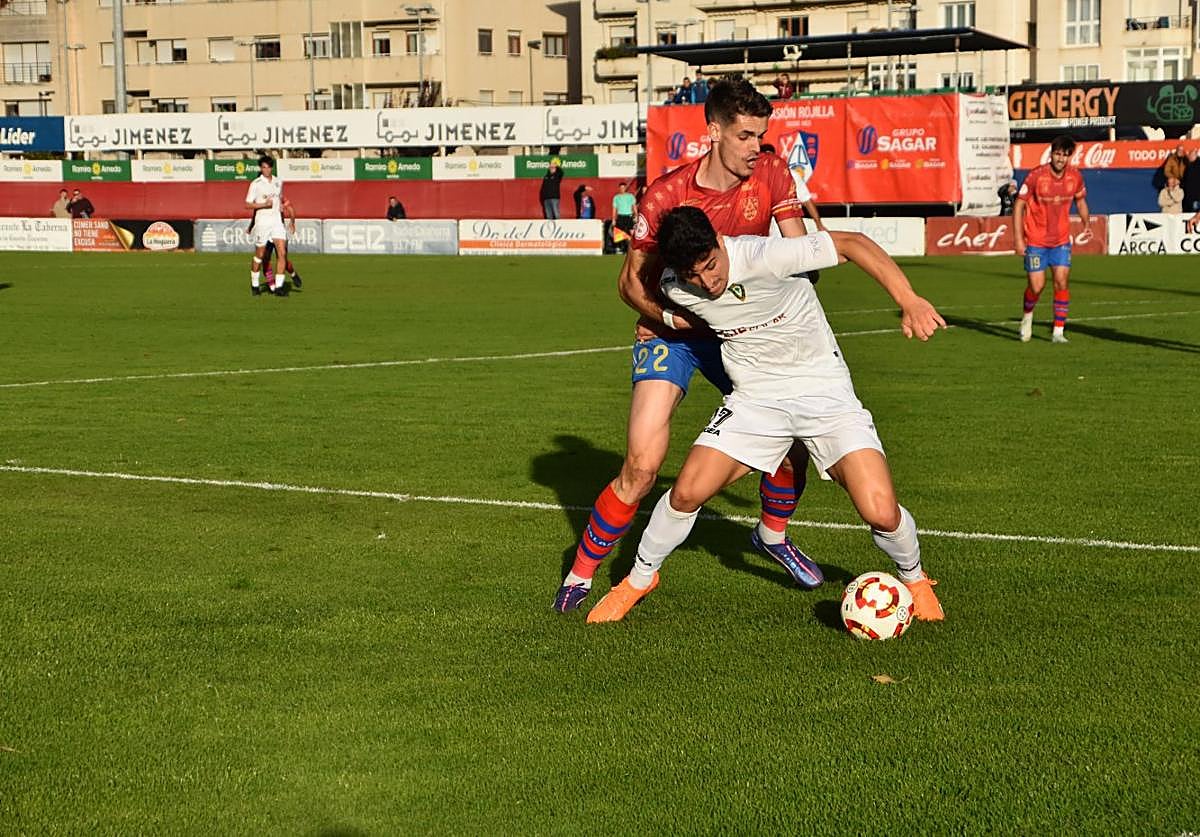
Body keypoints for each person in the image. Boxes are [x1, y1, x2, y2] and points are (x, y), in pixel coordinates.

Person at [586, 206, 947, 623]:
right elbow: (648, 294)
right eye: (694, 276)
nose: (708, 282)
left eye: (710, 265)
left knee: (881, 511)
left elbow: (853, 243)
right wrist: (663, 320)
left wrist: (909, 300)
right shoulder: (675, 284)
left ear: (720, 242)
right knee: (686, 492)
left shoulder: (765, 256)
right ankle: (639, 578)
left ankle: (915, 578)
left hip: (823, 393)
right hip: (755, 401)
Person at [554, 79, 819, 614]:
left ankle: (771, 536)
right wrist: (670, 316)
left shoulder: (770, 172)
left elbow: (801, 252)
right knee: (643, 465)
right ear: (714, 131)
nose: (755, 147)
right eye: (745, 136)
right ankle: (581, 571)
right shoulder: (665, 195)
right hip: (671, 336)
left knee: (792, 446)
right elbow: (630, 283)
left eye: (761, 135)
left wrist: (797, 285)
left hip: (740, 337)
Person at [1013, 135, 1090, 345]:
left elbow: (1081, 201)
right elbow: (1019, 205)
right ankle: (1027, 316)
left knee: (1061, 281)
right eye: (1057, 154)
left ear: (1069, 157)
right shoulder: (1036, 176)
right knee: (1036, 286)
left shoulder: (1075, 177)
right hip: (1036, 241)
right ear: (1051, 154)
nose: (1060, 159)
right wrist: (1019, 240)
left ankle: (1058, 331)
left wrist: (1087, 223)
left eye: (1065, 155)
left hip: (1061, 241)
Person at [244, 154, 290, 297]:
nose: (266, 170)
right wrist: (264, 204)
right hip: (262, 223)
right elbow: (247, 204)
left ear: (271, 168)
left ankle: (279, 287)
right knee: (260, 255)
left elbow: (280, 199)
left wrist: (281, 207)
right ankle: (255, 284)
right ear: (261, 168)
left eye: (268, 167)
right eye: (263, 167)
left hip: (276, 222)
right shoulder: (256, 184)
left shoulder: (278, 182)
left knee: (282, 253)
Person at [611, 181, 637, 253]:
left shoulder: (630, 196)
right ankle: (619, 248)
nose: (622, 189)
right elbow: (614, 209)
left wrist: (636, 216)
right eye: (621, 188)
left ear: (626, 188)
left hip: (629, 216)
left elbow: (634, 207)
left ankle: (634, 247)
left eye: (623, 188)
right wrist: (613, 219)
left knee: (632, 232)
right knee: (618, 233)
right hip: (620, 216)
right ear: (619, 188)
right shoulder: (616, 197)